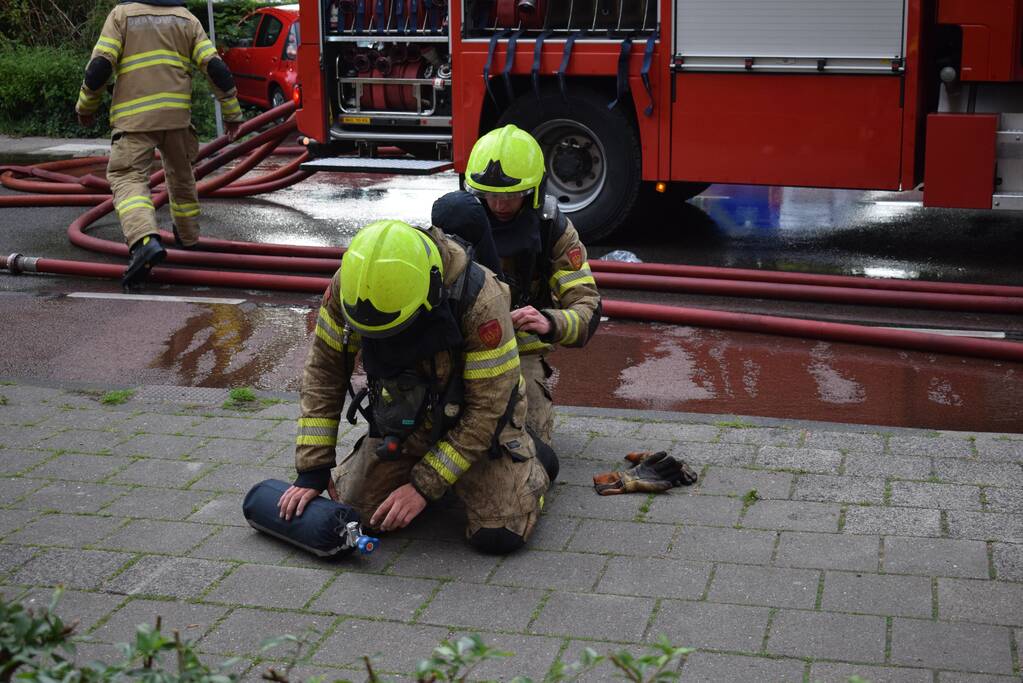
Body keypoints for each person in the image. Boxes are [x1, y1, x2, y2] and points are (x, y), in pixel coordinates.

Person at [277, 220, 554, 554]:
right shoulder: (350, 287)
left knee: (499, 535)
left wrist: (423, 486)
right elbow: (325, 373)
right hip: (406, 421)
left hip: (478, 426)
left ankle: (535, 461)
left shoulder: (479, 299)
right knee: (357, 516)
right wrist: (313, 467)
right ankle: (425, 468)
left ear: (430, 293)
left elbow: (488, 409)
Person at [75, 0, 245, 288]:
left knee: (127, 177)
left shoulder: (122, 16)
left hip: (134, 120)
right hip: (176, 117)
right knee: (181, 174)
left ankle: (144, 241)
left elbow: (100, 67)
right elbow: (215, 68)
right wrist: (232, 112)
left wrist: (85, 107)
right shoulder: (186, 19)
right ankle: (189, 238)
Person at [456, 124, 602, 447]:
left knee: (531, 451)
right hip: (461, 350)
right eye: (488, 194)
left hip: (522, 352)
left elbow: (587, 307)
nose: (498, 205)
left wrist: (549, 322)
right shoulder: (456, 226)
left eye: (510, 195)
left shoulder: (553, 229)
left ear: (534, 190)